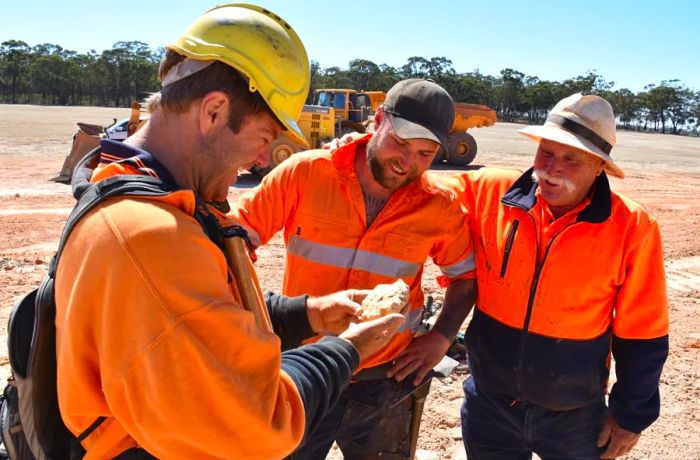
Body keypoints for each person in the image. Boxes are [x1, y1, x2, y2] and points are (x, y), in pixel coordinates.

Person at [53, 5, 404, 459]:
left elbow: (201, 315)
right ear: (215, 111)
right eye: (263, 135)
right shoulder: (150, 236)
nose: (263, 159)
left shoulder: (141, 194)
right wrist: (347, 349)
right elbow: (260, 421)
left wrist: (309, 314)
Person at [230, 78, 478, 459]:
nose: (407, 162)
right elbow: (235, 238)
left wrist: (442, 337)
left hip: (385, 378)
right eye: (400, 142)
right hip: (307, 369)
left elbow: (464, 277)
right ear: (377, 120)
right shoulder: (305, 173)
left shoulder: (440, 207)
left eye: (425, 153)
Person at [447, 93, 669, 459]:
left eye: (571, 159)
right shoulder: (489, 192)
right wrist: (360, 146)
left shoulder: (632, 227)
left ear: (599, 166)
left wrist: (630, 416)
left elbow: (643, 333)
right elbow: (418, 193)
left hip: (574, 418)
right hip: (490, 405)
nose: (551, 168)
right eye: (546, 152)